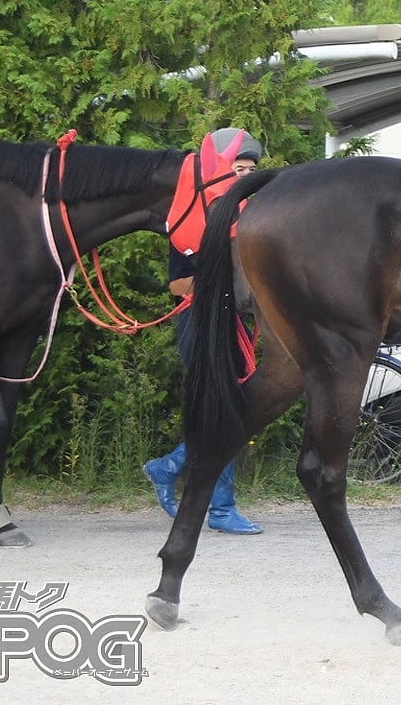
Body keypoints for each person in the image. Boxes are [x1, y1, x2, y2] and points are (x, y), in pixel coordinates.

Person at [144, 128, 263, 535]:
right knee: (223, 410)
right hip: (198, 322)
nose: (243, 177)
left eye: (250, 170)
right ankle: (221, 508)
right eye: (237, 168)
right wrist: (221, 279)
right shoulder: (190, 220)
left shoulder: (246, 217)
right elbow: (178, 285)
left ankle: (170, 466)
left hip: (229, 323)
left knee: (230, 409)